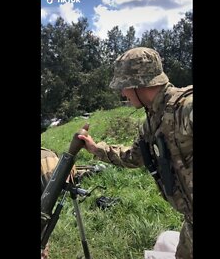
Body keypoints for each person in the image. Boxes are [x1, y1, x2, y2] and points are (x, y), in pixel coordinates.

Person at [77, 47, 193, 258]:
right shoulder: (150, 123)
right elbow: (133, 157)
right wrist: (95, 149)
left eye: (124, 86)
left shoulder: (186, 107)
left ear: (139, 83)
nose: (123, 93)